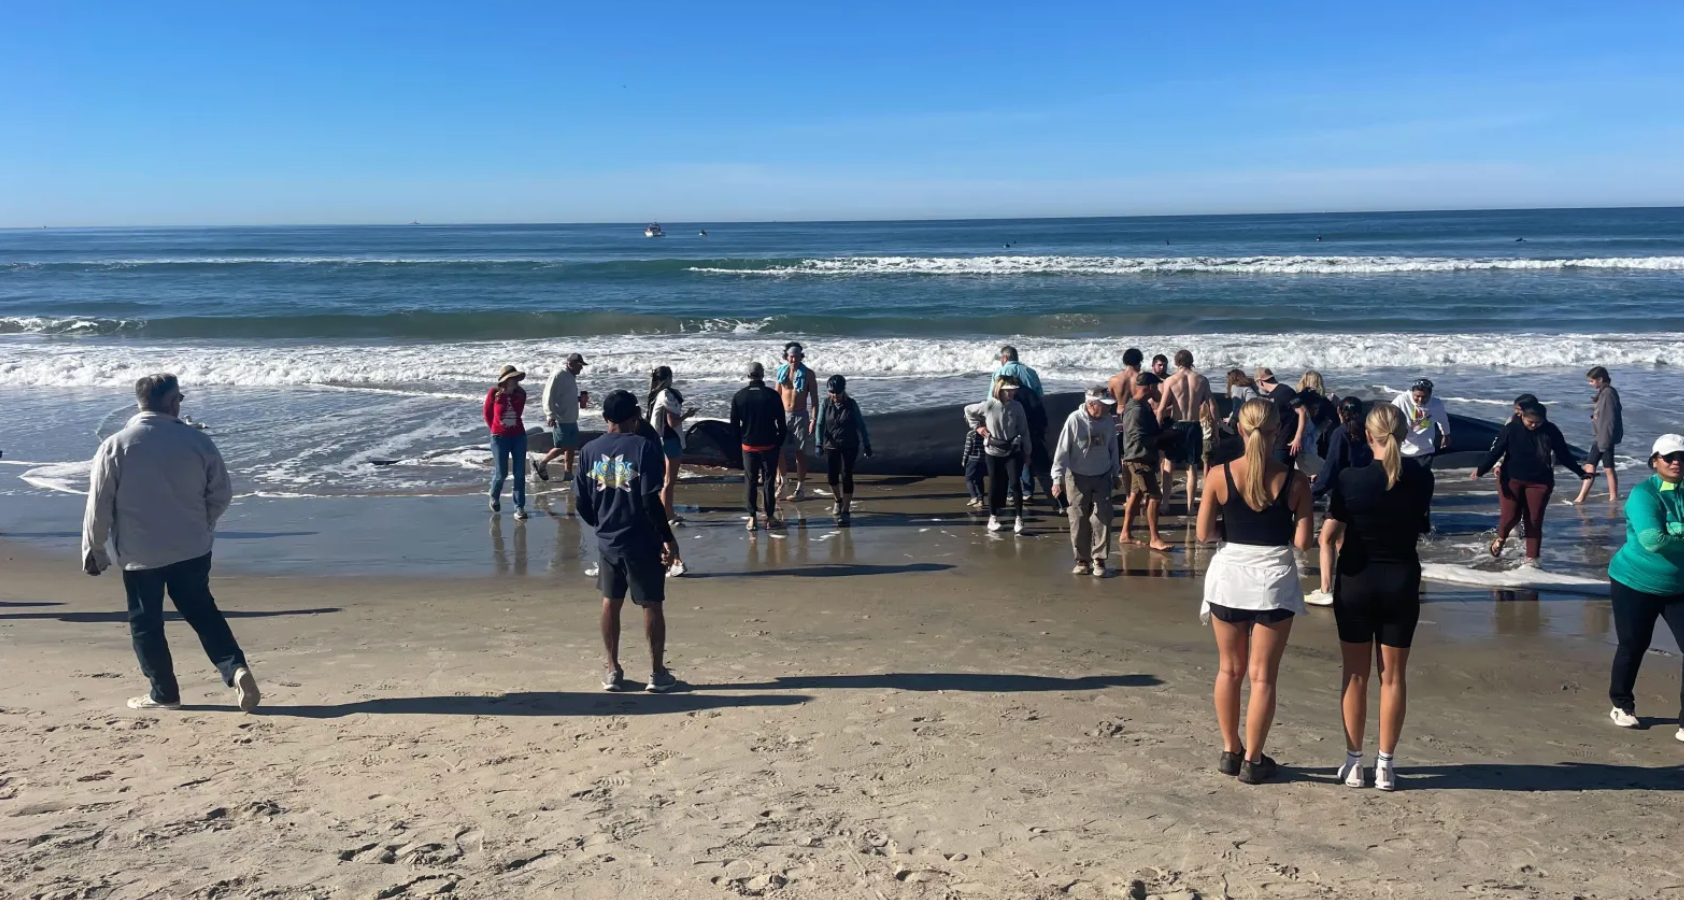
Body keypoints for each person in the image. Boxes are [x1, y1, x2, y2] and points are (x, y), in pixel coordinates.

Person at [81, 374, 260, 713]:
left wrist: (94, 549)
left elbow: (99, 503)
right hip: (191, 547)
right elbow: (221, 494)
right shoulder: (197, 441)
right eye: (179, 398)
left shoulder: (115, 445)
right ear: (169, 402)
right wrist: (202, 523)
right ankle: (235, 669)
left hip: (140, 552)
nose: (180, 403)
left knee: (146, 622)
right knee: (202, 612)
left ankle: (164, 692)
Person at [1196, 399, 1315, 785]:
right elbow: (1302, 542)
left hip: (1230, 574)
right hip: (1272, 579)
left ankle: (1230, 750)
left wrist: (1231, 529)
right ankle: (1253, 757)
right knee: (1263, 677)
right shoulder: (1294, 481)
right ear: (1279, 430)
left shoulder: (1219, 475)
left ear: (1240, 431)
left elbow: (1203, 534)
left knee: (1229, 670)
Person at [1318, 404, 1433, 791]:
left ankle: (1354, 763)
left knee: (1354, 675)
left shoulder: (1350, 479)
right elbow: (1419, 523)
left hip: (1356, 580)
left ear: (1368, 436)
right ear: (1404, 434)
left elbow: (1331, 535)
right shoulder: (1421, 478)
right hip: (1400, 579)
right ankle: (1385, 765)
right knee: (1393, 677)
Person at [573, 390, 681, 693]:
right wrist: (668, 538)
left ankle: (612, 669)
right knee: (651, 603)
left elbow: (581, 500)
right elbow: (650, 499)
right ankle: (657, 673)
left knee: (611, 601)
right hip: (642, 537)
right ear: (635, 418)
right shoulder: (645, 448)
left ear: (606, 419)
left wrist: (600, 523)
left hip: (608, 539)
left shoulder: (589, 450)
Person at [1604, 434, 1684, 740]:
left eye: (1682, 457)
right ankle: (1621, 704)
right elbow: (1653, 541)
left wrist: (1675, 534)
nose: (1677, 462)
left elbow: (1667, 537)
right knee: (1633, 644)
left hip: (1679, 586)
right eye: (1670, 457)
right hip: (1634, 582)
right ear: (1655, 461)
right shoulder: (1644, 494)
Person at [1472, 401, 1592, 562]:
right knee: (1510, 517)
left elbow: (1564, 455)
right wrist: (1481, 470)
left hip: (1540, 481)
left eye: (1538, 422)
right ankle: (1501, 539)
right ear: (1522, 416)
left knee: (1534, 520)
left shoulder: (1551, 431)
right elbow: (1496, 451)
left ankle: (1532, 561)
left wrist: (1580, 473)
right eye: (1530, 422)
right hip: (1511, 479)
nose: (1534, 425)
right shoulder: (1511, 429)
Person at [1305, 396, 1375, 605]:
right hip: (1365, 491)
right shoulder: (1368, 433)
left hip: (1343, 493)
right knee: (1340, 540)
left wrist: (1312, 494)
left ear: (1339, 412)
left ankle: (1326, 589)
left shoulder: (1341, 433)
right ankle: (1351, 585)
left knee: (1325, 539)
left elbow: (1332, 467)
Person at [1051, 386, 1120, 575]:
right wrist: (1057, 479)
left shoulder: (1108, 421)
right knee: (1078, 519)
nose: (1108, 409)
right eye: (1104, 405)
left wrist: (1116, 473)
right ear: (1091, 404)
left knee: (1102, 517)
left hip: (1102, 474)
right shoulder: (1075, 420)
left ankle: (1099, 560)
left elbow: (1113, 447)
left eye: (1109, 405)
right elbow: (1062, 450)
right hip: (1077, 477)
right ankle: (1082, 560)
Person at [965, 375, 1030, 534]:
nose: (1012, 393)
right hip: (993, 450)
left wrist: (1028, 452)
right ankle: (992, 517)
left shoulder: (1017, 407)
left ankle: (1019, 519)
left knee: (1015, 483)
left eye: (1014, 391)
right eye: (1009, 391)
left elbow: (1024, 431)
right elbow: (968, 410)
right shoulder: (989, 405)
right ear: (1000, 389)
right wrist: (978, 427)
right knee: (994, 482)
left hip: (1013, 450)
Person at [991, 346, 1053, 506]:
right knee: (1029, 453)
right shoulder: (1030, 372)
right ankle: (1027, 491)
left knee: (1010, 455)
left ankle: (1013, 492)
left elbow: (993, 400)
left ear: (1004, 358)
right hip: (1032, 418)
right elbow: (1039, 396)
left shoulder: (999, 373)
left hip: (1009, 419)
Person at [731, 362, 788, 531]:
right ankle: (770, 517)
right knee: (769, 481)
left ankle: (752, 518)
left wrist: (741, 441)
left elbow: (734, 426)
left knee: (750, 481)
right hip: (769, 445)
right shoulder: (772, 395)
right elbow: (782, 423)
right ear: (762, 375)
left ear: (748, 375)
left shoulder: (739, 396)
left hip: (748, 446)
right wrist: (779, 441)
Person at [1120, 372, 1173, 551]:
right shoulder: (1136, 409)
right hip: (1138, 458)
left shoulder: (1143, 406)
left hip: (1142, 457)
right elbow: (1137, 437)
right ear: (1149, 387)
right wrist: (1164, 438)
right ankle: (1155, 538)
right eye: (1157, 386)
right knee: (1155, 496)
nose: (1159, 390)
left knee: (1136, 495)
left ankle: (1125, 534)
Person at [1160, 349, 1217, 511]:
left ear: (1176, 362)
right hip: (1194, 425)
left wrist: (1157, 427)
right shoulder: (1201, 380)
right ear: (1191, 361)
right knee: (1191, 467)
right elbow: (1212, 406)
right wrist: (1216, 429)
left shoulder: (1170, 381)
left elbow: (1163, 407)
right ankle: (1190, 506)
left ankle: (1165, 503)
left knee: (1168, 465)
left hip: (1177, 424)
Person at [813, 374, 873, 526]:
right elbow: (820, 424)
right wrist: (818, 444)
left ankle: (846, 510)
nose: (834, 395)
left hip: (849, 444)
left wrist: (867, 445)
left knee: (846, 475)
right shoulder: (826, 404)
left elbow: (861, 425)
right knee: (832, 477)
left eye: (837, 393)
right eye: (831, 392)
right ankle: (838, 500)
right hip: (830, 445)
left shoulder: (851, 404)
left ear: (843, 391)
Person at [1393, 379, 1449, 532]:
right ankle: (1400, 522)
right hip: (1403, 452)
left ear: (1430, 395)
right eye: (1417, 396)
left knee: (1421, 490)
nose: (1420, 400)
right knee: (1401, 488)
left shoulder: (1436, 403)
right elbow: (1388, 416)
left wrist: (1446, 434)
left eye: (1424, 397)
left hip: (1424, 452)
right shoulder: (1401, 400)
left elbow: (1442, 420)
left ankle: (1422, 525)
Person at [646, 366, 692, 526]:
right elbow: (673, 422)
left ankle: (664, 510)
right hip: (670, 440)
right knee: (670, 480)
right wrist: (687, 415)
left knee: (665, 479)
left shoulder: (654, 394)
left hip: (659, 439)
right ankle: (668, 513)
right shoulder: (666, 395)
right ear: (667, 379)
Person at [484, 365, 530, 520]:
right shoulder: (494, 393)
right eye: (513, 378)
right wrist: (496, 430)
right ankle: (494, 495)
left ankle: (519, 507)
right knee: (501, 472)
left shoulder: (521, 394)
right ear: (505, 380)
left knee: (519, 473)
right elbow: (487, 414)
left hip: (518, 436)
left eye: (517, 378)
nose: (516, 381)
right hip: (499, 437)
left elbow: (518, 414)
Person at [776, 342, 820, 500]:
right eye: (791, 356)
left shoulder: (808, 374)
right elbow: (776, 396)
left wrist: (814, 419)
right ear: (786, 356)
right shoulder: (781, 372)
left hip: (800, 415)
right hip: (782, 415)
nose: (794, 359)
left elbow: (814, 400)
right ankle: (783, 481)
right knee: (777, 450)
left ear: (801, 356)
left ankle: (800, 488)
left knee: (799, 453)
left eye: (796, 356)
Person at [534, 352, 587, 482]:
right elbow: (548, 395)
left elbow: (565, 396)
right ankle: (542, 463)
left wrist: (579, 399)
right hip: (560, 417)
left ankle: (568, 473)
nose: (581, 368)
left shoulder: (571, 376)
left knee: (571, 446)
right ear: (570, 364)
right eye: (579, 365)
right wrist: (550, 414)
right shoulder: (559, 375)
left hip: (571, 417)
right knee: (562, 446)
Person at [1574, 366, 1624, 504]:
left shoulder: (1608, 393)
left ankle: (1585, 498)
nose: (1590, 384)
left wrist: (1604, 441)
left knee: (1600, 467)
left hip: (1604, 437)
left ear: (1600, 379)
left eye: (1592, 381)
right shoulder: (1606, 392)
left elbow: (1609, 420)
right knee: (1600, 467)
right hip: (1601, 436)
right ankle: (1608, 497)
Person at [1254, 368, 1305, 467]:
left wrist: (1298, 438)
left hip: (1285, 443)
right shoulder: (1271, 395)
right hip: (1273, 442)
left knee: (1282, 475)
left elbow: (1303, 412)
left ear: (1260, 382)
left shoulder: (1286, 391)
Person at [962, 426, 988, 509]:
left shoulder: (971, 433)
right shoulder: (987, 433)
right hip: (983, 460)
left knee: (969, 478)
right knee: (979, 479)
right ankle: (981, 500)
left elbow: (968, 448)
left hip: (973, 459)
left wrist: (964, 460)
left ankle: (973, 497)